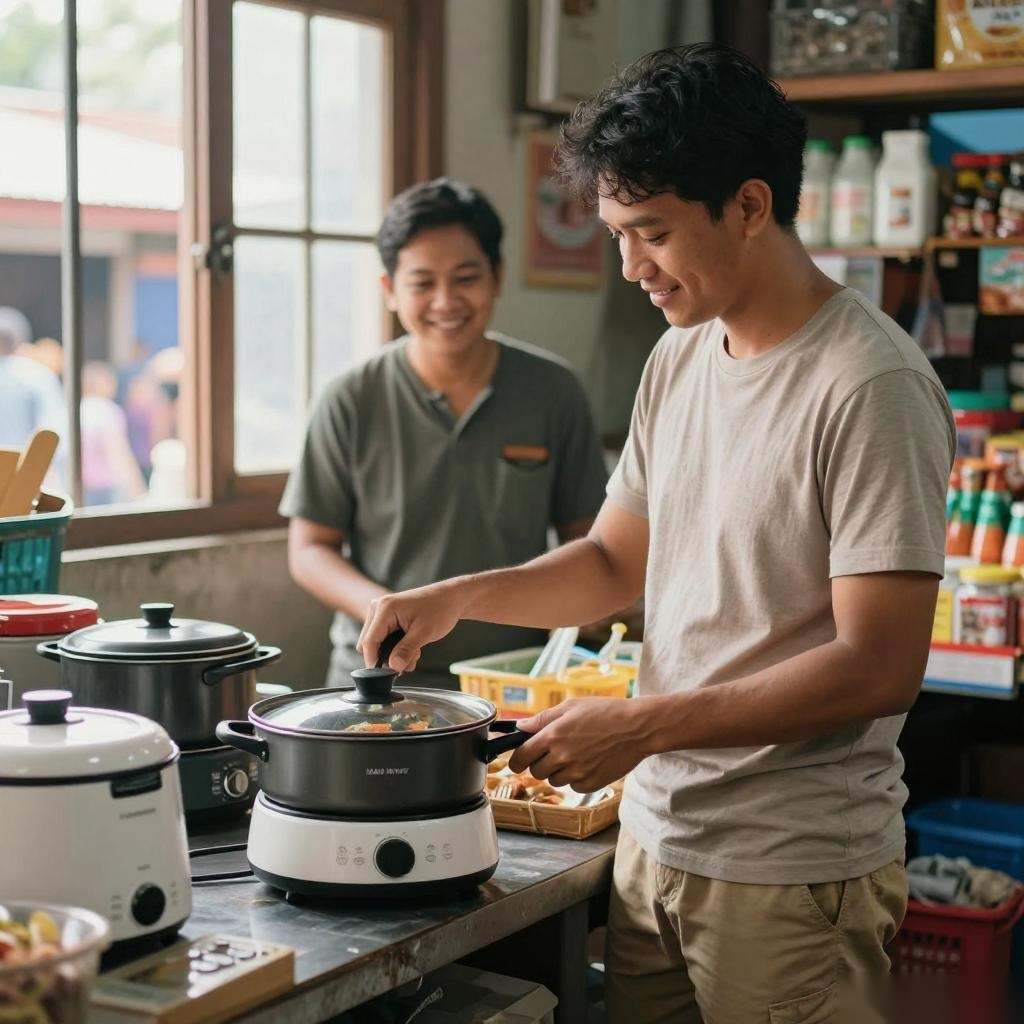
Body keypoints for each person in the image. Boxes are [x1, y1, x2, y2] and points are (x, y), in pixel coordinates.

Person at [358, 46, 955, 1022]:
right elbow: (610, 562)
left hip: (791, 873)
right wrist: (458, 595)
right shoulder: (679, 358)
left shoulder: (869, 384)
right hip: (656, 844)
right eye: (617, 236)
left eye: (653, 233)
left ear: (750, 206)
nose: (632, 267)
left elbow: (878, 667)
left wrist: (639, 726)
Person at [280, 178, 608, 689]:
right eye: (422, 283)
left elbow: (587, 536)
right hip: (376, 677)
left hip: (516, 675)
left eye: (465, 278)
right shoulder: (350, 398)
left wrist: (578, 618)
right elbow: (309, 549)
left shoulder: (553, 391)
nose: (445, 301)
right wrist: (388, 609)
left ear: (497, 277)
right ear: (389, 290)